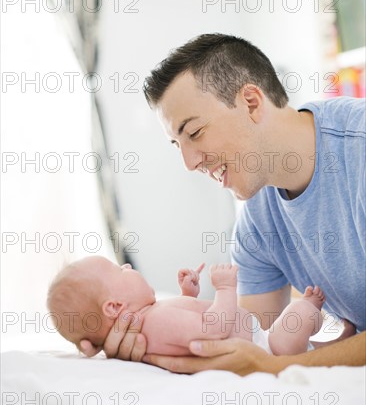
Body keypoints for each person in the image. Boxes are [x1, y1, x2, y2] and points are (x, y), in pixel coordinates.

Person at [83, 33, 365, 374]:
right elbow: (248, 341)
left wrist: (284, 367)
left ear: (250, 101)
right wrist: (150, 336)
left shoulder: (359, 151)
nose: (189, 162)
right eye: (177, 144)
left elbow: (264, 363)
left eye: (195, 132)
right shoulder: (256, 223)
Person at [47, 255, 329, 357]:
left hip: (259, 339)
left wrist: (187, 294)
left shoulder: (155, 319)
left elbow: (188, 327)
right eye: (119, 270)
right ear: (114, 307)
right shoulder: (156, 322)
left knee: (302, 329)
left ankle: (334, 341)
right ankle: (312, 307)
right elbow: (214, 329)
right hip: (268, 348)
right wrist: (225, 288)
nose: (128, 265)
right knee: (300, 312)